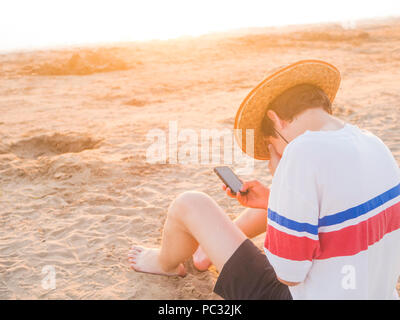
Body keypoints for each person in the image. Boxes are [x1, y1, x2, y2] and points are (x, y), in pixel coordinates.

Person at [128, 60, 400, 299]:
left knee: (189, 203)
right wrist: (275, 198)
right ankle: (203, 254)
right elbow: (342, 209)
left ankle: (164, 264)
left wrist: (283, 177)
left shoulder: (301, 151)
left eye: (271, 144)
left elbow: (288, 273)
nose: (272, 155)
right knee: (267, 210)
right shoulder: (373, 143)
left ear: (275, 119)